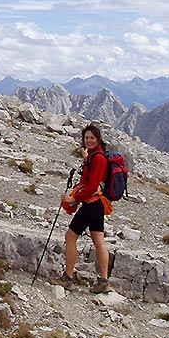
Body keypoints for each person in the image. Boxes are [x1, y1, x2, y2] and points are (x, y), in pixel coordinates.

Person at [51, 122, 112, 294]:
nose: (89, 141)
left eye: (92, 138)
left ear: (98, 139)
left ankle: (68, 277)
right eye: (86, 138)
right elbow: (92, 178)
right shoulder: (95, 156)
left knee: (70, 237)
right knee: (99, 240)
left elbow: (92, 185)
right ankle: (103, 281)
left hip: (92, 204)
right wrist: (86, 159)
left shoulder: (98, 158)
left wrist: (74, 198)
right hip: (98, 204)